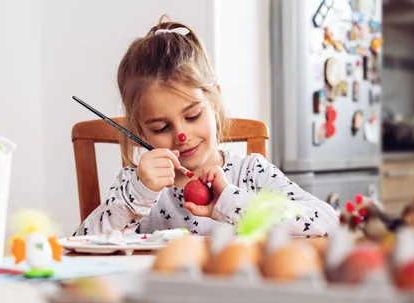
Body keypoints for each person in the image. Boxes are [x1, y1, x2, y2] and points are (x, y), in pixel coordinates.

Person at [73, 15, 338, 237]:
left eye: (193, 115)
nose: (182, 135)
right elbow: (80, 246)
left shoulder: (249, 173)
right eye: (161, 128)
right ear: (140, 132)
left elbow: (327, 220)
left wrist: (229, 202)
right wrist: (137, 195)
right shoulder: (136, 186)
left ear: (214, 103)